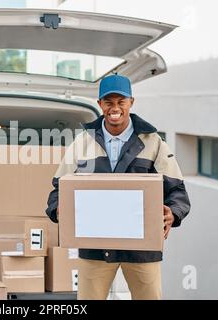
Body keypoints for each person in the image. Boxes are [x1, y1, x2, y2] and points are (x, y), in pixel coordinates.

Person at [45, 74, 191, 300]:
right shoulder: (82, 143)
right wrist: (58, 210)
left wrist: (174, 213)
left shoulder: (154, 143)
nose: (115, 107)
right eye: (109, 102)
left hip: (142, 250)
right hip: (95, 248)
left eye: (121, 101)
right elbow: (58, 190)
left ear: (131, 102)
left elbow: (177, 191)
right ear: (100, 104)